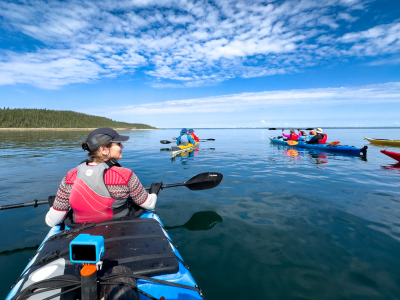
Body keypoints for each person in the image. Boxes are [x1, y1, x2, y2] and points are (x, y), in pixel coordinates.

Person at [45, 128, 162, 227]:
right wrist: (153, 192)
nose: (123, 146)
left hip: (81, 230)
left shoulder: (71, 175)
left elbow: (52, 221)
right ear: (104, 149)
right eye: (118, 144)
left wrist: (54, 206)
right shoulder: (125, 174)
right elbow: (149, 204)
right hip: (117, 228)